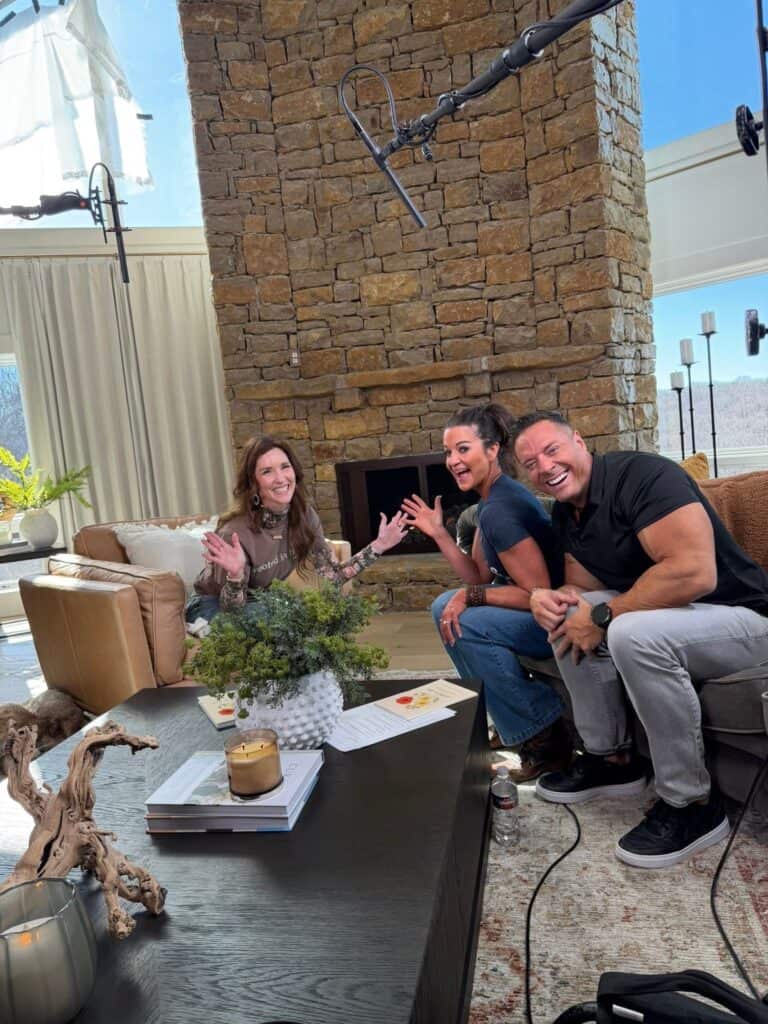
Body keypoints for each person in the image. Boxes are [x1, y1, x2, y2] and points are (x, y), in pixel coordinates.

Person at [511, 411, 768, 868]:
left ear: (578, 441)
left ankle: (692, 804)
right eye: (531, 463)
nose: (545, 467)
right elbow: (582, 588)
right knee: (569, 615)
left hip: (745, 619)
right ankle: (611, 760)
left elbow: (695, 572)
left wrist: (604, 615)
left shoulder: (644, 477)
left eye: (552, 450)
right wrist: (547, 599)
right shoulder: (567, 512)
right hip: (680, 619)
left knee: (630, 631)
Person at [401, 403, 572, 781]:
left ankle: (545, 734)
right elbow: (478, 575)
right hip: (533, 612)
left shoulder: (501, 509)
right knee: (444, 607)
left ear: (493, 450)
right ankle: (513, 718)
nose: (453, 460)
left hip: (557, 619)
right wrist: (440, 534)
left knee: (462, 619)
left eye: (463, 449)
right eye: (448, 452)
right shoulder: (489, 503)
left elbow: (539, 594)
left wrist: (470, 597)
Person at [188, 435, 408, 622]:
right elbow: (232, 611)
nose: (280, 478)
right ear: (253, 483)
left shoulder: (303, 515)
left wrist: (378, 546)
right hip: (212, 606)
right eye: (267, 471)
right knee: (290, 617)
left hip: (264, 604)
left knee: (307, 610)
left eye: (285, 467)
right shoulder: (234, 533)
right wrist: (236, 575)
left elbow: (332, 578)